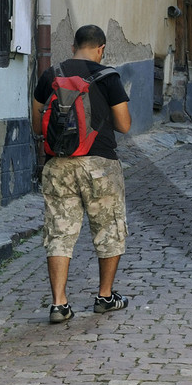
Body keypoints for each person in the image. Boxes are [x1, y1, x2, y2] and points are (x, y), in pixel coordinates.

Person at [33, 24, 133, 323]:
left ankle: (59, 304)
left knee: (59, 233)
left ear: (73, 45)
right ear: (101, 49)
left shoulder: (51, 74)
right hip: (100, 164)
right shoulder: (109, 76)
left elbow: (37, 124)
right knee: (109, 229)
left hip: (58, 165)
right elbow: (125, 125)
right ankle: (104, 296)